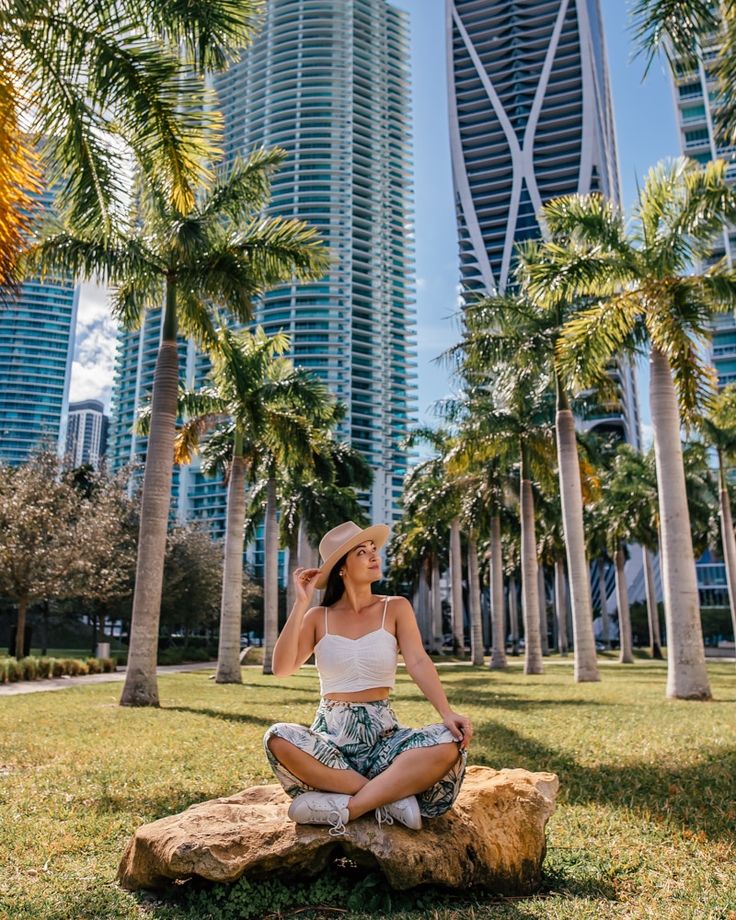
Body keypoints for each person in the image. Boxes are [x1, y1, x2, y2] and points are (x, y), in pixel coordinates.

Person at [263, 520, 472, 837]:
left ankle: (351, 807)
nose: (375, 557)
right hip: (331, 742)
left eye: (374, 550)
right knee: (277, 737)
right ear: (342, 568)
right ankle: (390, 798)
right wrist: (301, 602)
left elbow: (417, 661)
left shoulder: (396, 607)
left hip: (386, 740)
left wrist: (447, 713)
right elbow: (282, 668)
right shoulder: (319, 617)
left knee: (448, 742)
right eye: (362, 552)